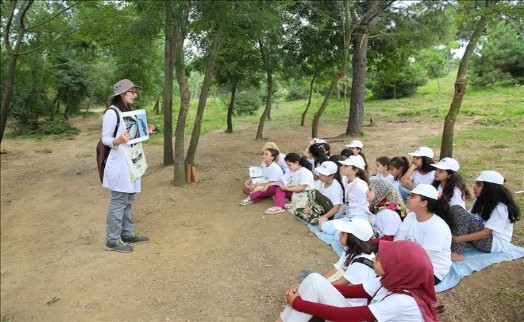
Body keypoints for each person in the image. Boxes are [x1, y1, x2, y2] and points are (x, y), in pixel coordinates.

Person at [277, 240, 439, 322]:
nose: (374, 258)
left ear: (397, 268)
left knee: (309, 292)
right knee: (314, 279)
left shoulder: (403, 301)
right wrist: (303, 289)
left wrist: (298, 302)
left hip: (353, 318)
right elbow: (349, 291)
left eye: (381, 259)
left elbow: (346, 316)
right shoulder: (391, 280)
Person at [102, 79, 149, 253]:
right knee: (118, 202)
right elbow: (105, 138)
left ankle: (127, 233)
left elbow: (131, 135)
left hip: (130, 163)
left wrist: (145, 130)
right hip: (119, 164)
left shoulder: (126, 110)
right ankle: (112, 240)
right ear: (122, 93)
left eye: (135, 92)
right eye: (132, 92)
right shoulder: (111, 113)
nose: (135, 95)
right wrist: (117, 140)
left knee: (128, 200)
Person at [298, 219, 376, 306]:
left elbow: (341, 283)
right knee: (306, 274)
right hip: (341, 286)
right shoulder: (350, 249)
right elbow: (336, 268)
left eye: (342, 233)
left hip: (348, 302)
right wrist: (320, 280)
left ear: (352, 238)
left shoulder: (362, 263)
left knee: (310, 284)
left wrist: (317, 286)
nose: (339, 234)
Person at [451, 171, 521, 261]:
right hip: (480, 238)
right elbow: (466, 219)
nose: (474, 187)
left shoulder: (501, 208)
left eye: (479, 185)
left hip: (492, 244)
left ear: (490, 188)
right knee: (455, 210)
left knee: (458, 210)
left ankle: (457, 253)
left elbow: (485, 233)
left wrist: (458, 239)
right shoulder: (478, 201)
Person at [395, 184, 453, 284]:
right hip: (410, 260)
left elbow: (423, 259)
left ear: (424, 203)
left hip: (431, 270)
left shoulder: (437, 228)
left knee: (393, 280)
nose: (408, 198)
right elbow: (397, 241)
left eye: (413, 196)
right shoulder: (411, 216)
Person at [320, 156, 370, 235]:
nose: (341, 167)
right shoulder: (345, 179)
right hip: (349, 216)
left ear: (355, 170)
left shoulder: (360, 185)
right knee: (325, 226)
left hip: (359, 217)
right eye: (342, 165)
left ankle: (347, 235)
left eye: (345, 166)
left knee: (328, 228)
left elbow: (368, 201)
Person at [367, 178, 404, 244]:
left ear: (380, 192)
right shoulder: (377, 209)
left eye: (370, 190)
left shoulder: (388, 213)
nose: (366, 192)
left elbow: (388, 239)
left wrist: (365, 243)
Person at [314, 161, 345, 228]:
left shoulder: (336, 187)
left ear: (331, 175)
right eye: (320, 173)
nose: (320, 175)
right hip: (323, 207)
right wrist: (307, 206)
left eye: (323, 174)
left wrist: (323, 217)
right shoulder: (321, 182)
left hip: (331, 212)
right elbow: (314, 194)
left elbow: (336, 208)